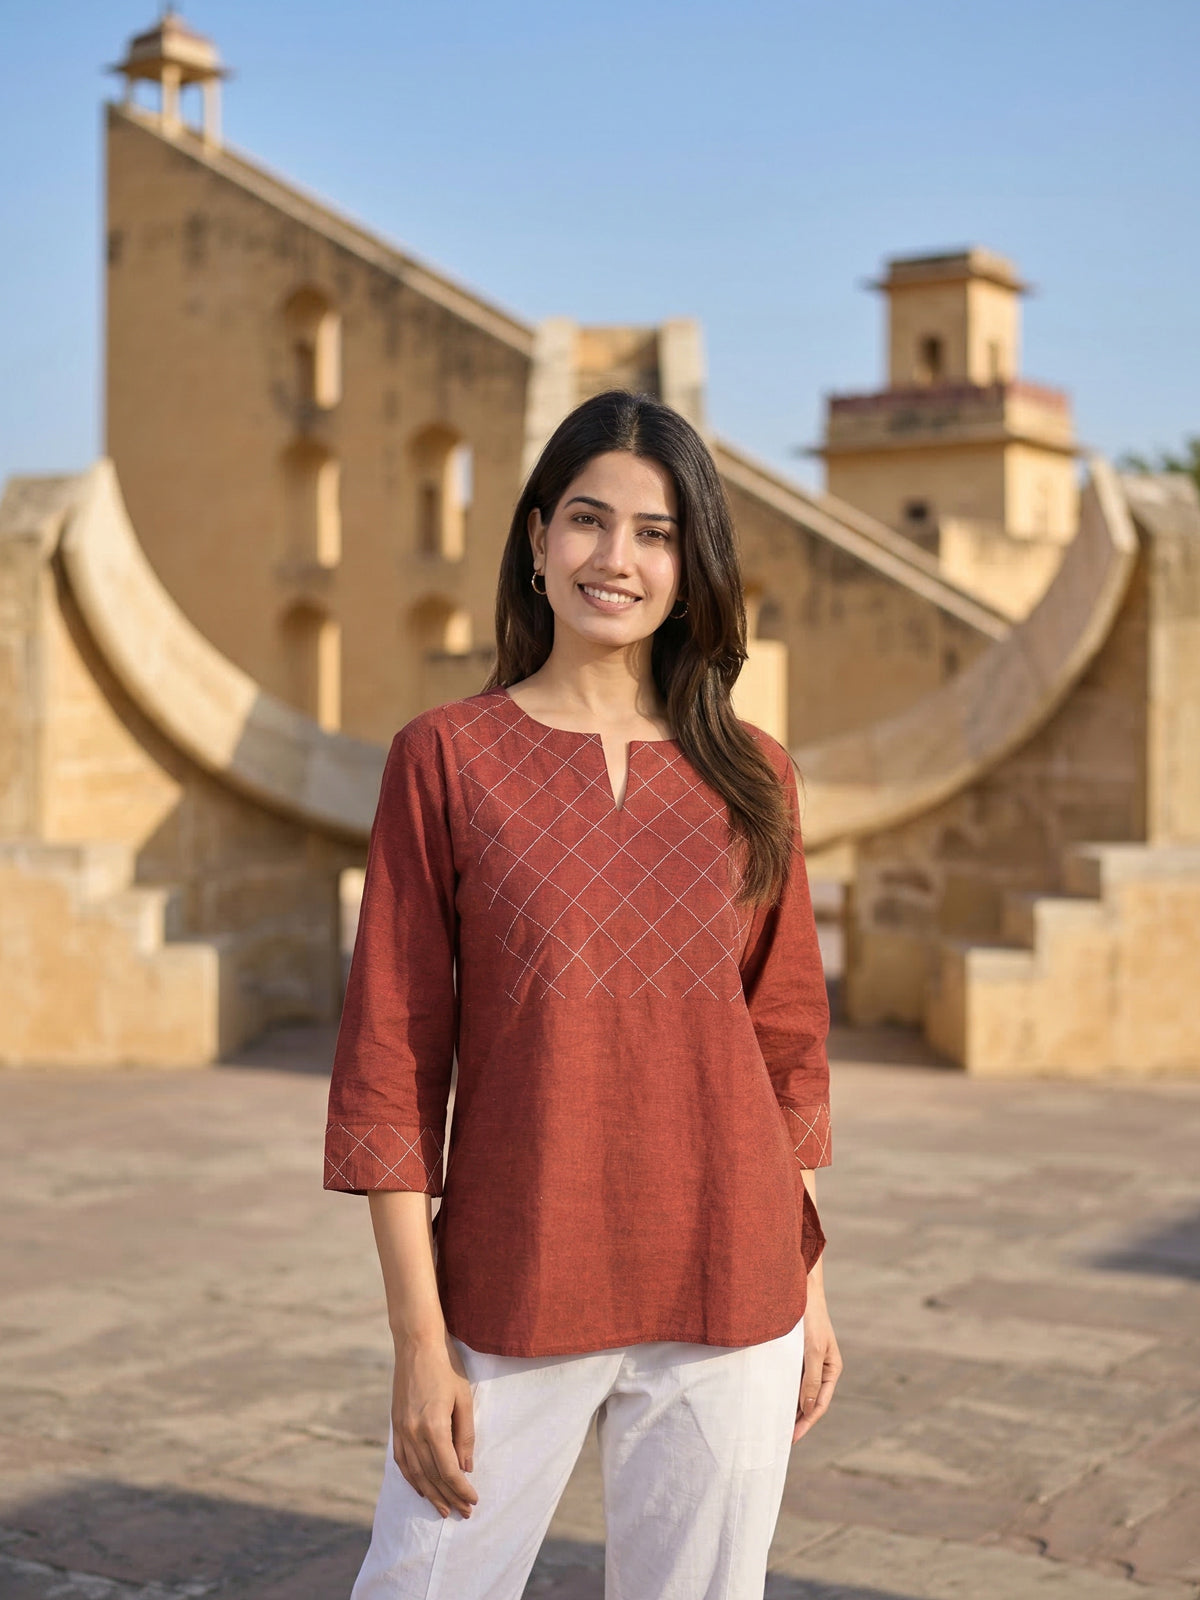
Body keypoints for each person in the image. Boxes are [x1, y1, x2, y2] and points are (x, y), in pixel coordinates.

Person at [324, 389, 841, 1600]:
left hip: (733, 1278)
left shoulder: (756, 776)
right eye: (590, 522)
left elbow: (786, 1050)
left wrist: (809, 1287)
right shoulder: (445, 758)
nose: (618, 559)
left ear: (691, 562)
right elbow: (391, 1057)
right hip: (512, 1278)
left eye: (656, 533)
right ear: (538, 538)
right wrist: (417, 1342)